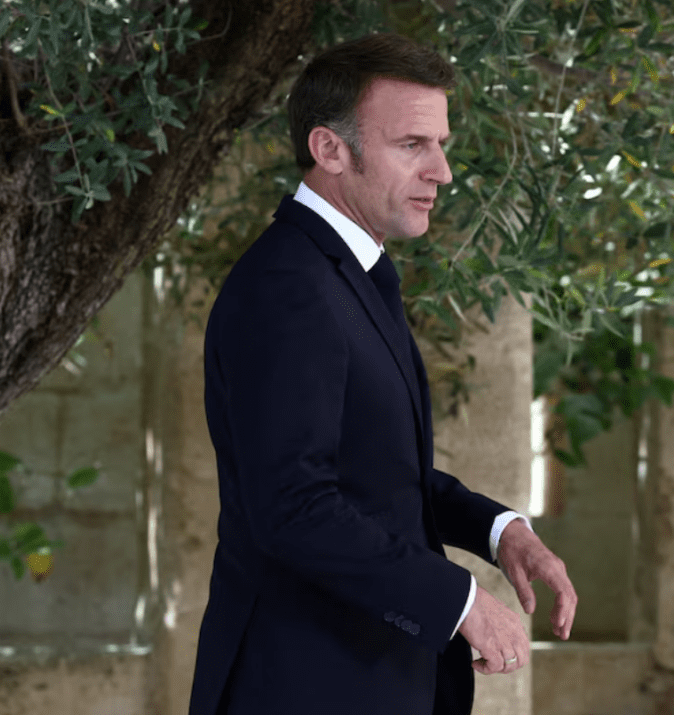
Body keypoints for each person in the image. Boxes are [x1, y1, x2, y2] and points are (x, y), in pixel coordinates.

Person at [189, 34, 578, 715]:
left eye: (441, 143)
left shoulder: (351, 271)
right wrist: (457, 601)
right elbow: (294, 504)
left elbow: (368, 471)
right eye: (412, 145)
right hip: (303, 683)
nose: (443, 171)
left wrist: (500, 529)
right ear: (330, 149)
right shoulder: (288, 284)